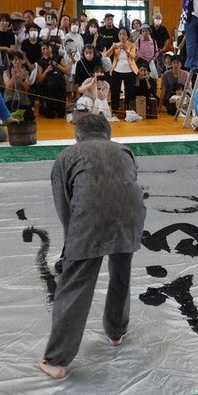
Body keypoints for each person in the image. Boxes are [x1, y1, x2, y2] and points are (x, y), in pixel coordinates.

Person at [38, 114, 146, 380]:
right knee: (121, 273)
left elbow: (64, 206)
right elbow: (129, 186)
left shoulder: (66, 156)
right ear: (107, 133)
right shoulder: (124, 151)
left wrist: (72, 244)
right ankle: (116, 333)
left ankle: (57, 361)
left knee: (76, 283)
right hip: (131, 216)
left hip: (89, 218)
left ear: (77, 134)